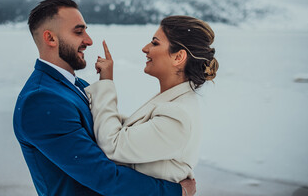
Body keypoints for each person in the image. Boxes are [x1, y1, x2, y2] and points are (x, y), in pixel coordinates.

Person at [13, 0, 196, 196]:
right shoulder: (41, 100)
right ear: (50, 38)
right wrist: (175, 192)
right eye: (78, 31)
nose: (89, 40)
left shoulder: (76, 86)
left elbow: (115, 135)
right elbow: (102, 175)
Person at [85, 15, 219, 183]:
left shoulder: (177, 115)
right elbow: (134, 132)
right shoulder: (172, 101)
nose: (145, 48)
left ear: (178, 57)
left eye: (155, 43)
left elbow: (114, 145)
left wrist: (106, 82)